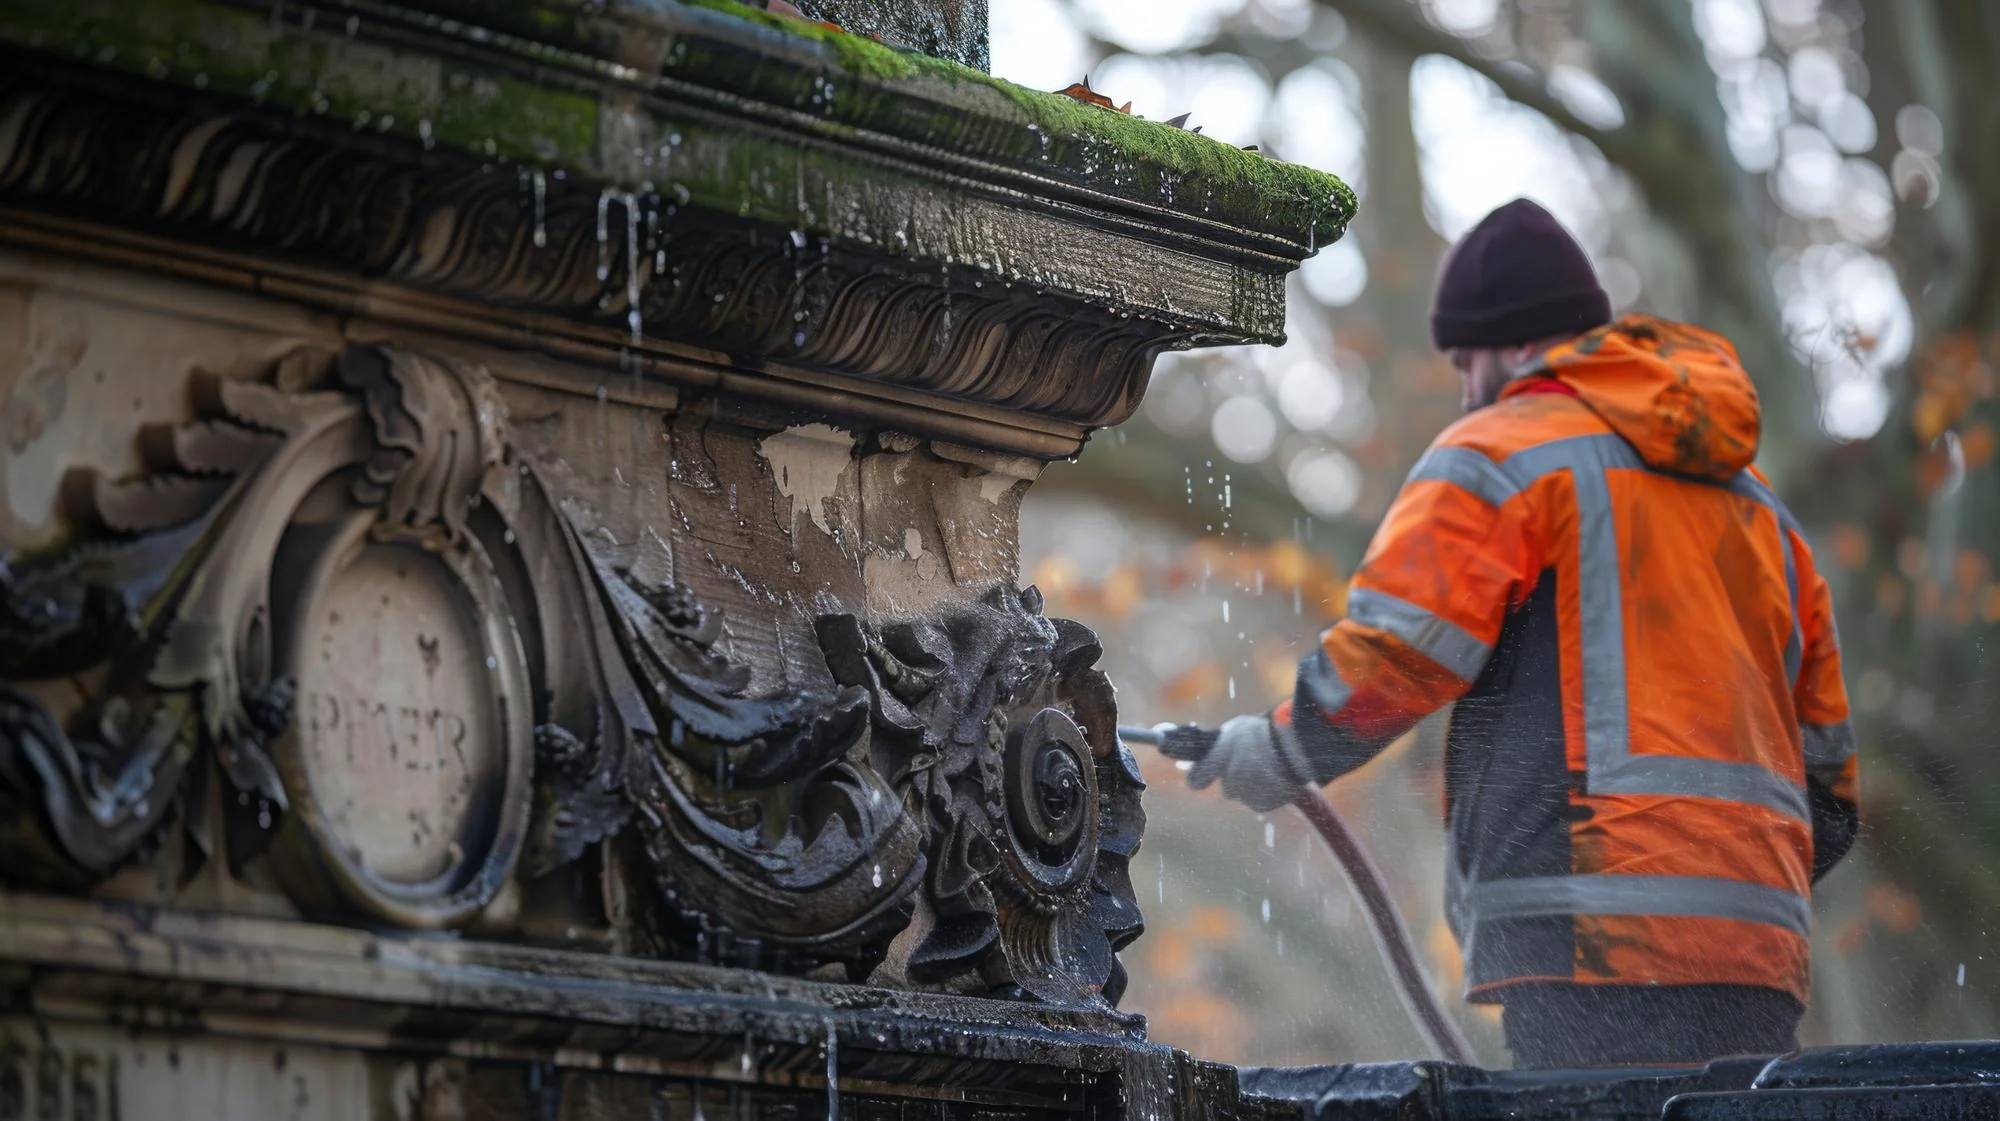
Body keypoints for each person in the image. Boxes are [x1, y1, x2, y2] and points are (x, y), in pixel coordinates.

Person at [1155, 199, 1858, 1069]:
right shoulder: (1765, 516)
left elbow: (1402, 651)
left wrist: (1277, 747)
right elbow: (1831, 781)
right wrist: (1728, 884)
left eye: (1467, 359)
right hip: (1758, 951)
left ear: (1521, 347)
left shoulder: (1503, 454)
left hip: (1583, 932)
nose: (1463, 387)